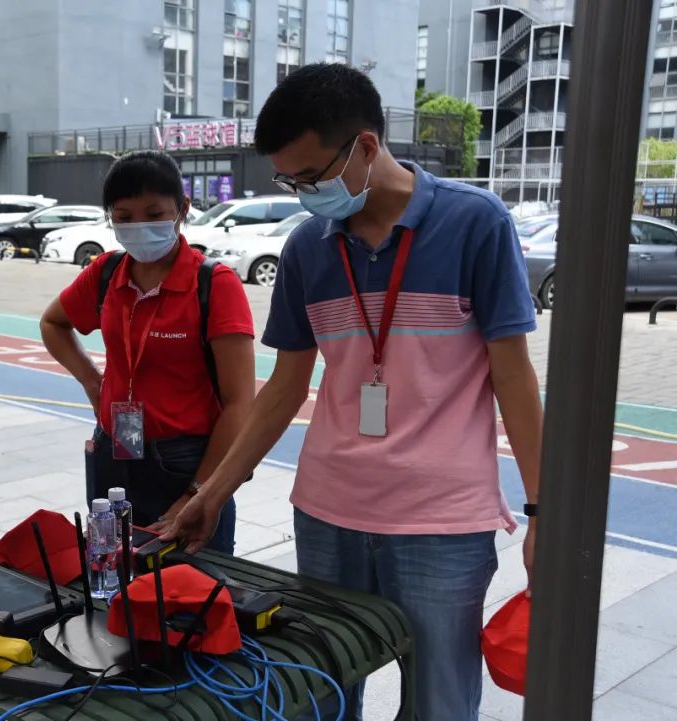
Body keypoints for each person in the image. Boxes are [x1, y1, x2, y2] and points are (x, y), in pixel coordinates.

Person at [163, 63, 543, 721]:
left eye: (311, 177)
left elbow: (513, 374)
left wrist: (545, 510)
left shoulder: (475, 223)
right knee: (322, 694)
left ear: (366, 146)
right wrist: (211, 491)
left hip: (439, 521)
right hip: (328, 509)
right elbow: (284, 385)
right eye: (291, 180)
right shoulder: (310, 247)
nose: (304, 193)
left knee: (439, 702)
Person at [40, 150, 256, 553]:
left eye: (154, 213)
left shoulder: (213, 284)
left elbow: (241, 403)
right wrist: (93, 382)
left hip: (188, 461)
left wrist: (199, 492)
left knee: (193, 589)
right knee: (115, 577)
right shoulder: (106, 273)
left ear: (182, 210)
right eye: (123, 217)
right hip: (114, 450)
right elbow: (53, 323)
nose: (139, 226)